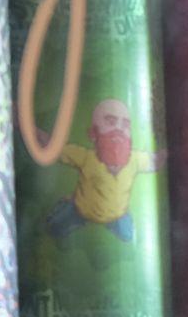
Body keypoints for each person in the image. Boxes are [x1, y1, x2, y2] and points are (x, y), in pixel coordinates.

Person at [46, 98, 161, 244]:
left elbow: (157, 160)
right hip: (81, 210)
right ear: (93, 133)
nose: (119, 130)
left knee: (129, 237)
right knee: (53, 227)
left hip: (117, 215)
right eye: (111, 122)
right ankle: (68, 204)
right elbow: (54, 146)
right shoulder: (86, 157)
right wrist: (26, 127)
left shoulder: (135, 159)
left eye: (125, 125)